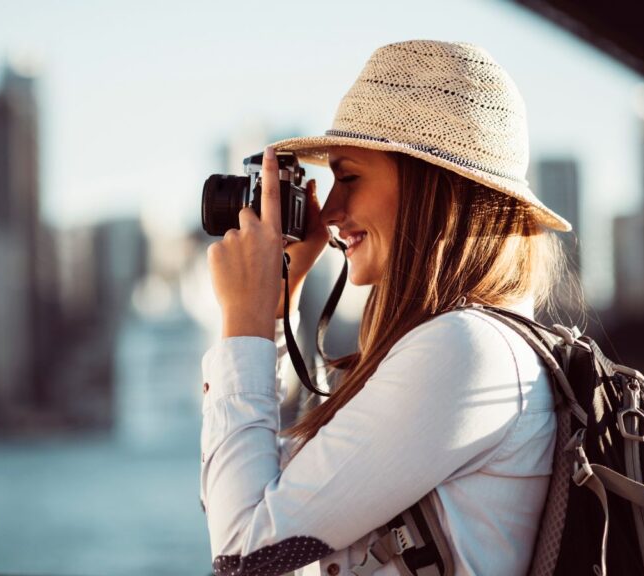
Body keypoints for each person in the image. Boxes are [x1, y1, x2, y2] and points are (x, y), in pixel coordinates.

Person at [201, 40, 580, 576]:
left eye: (349, 177)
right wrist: (278, 306)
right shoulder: (469, 349)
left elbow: (241, 555)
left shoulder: (465, 351)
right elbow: (247, 498)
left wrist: (246, 324)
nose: (329, 210)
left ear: (434, 189)